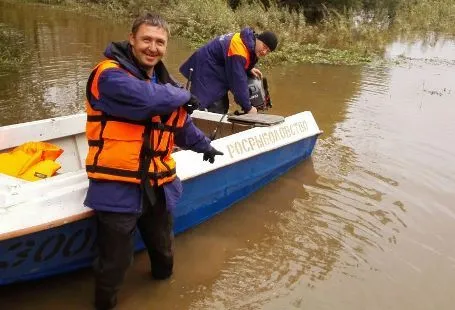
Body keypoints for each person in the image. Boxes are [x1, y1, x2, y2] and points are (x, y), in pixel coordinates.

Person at [83, 13, 223, 310]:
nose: (153, 47)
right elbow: (147, 100)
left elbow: (180, 126)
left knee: (164, 254)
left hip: (158, 185)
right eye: (146, 39)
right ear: (131, 39)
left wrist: (204, 146)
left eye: (160, 42)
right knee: (114, 264)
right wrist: (180, 94)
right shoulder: (108, 75)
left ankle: (164, 294)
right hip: (117, 185)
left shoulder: (162, 82)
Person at [179, 27, 278, 114]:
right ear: (258, 39)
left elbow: (237, 61)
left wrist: (248, 68)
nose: (264, 52)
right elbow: (238, 82)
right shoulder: (239, 50)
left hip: (215, 67)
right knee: (209, 107)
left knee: (222, 106)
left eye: (268, 51)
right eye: (264, 47)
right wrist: (248, 108)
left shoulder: (247, 40)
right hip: (206, 68)